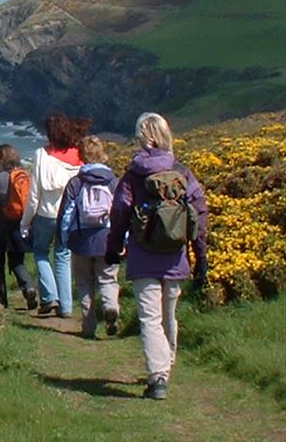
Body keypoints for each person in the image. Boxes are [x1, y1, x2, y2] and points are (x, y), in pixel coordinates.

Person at [106, 113, 208, 400]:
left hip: (143, 256)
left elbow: (120, 213)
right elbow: (199, 214)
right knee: (168, 316)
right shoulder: (182, 172)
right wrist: (201, 256)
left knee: (150, 318)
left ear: (142, 137)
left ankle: (158, 376)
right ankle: (166, 367)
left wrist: (113, 248)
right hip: (175, 256)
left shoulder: (133, 175)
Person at [20, 114, 90, 318]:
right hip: (69, 216)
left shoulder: (41, 155)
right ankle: (66, 306)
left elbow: (34, 195)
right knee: (63, 256)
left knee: (41, 252)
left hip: (45, 214)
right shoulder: (79, 156)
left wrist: (25, 222)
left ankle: (50, 297)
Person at [57, 136, 119, 338]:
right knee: (108, 279)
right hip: (107, 238)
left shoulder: (76, 182)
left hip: (81, 239)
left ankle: (88, 326)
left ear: (82, 156)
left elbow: (66, 214)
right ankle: (111, 307)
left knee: (84, 283)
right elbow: (121, 212)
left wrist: (64, 238)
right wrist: (123, 238)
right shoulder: (112, 181)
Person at [0, 144, 38, 309]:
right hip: (19, 224)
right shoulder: (26, 176)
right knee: (17, 261)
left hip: (0, 225)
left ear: (0, 160)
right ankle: (28, 287)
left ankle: (1, 300)